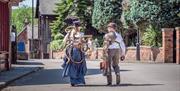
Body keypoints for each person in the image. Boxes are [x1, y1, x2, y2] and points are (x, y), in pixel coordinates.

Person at [62, 18, 87, 87]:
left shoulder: (80, 33)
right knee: (74, 65)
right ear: (76, 26)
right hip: (73, 50)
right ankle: (74, 81)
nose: (79, 27)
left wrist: (83, 42)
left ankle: (79, 81)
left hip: (80, 50)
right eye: (78, 26)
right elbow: (65, 41)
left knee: (80, 65)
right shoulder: (70, 33)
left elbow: (83, 41)